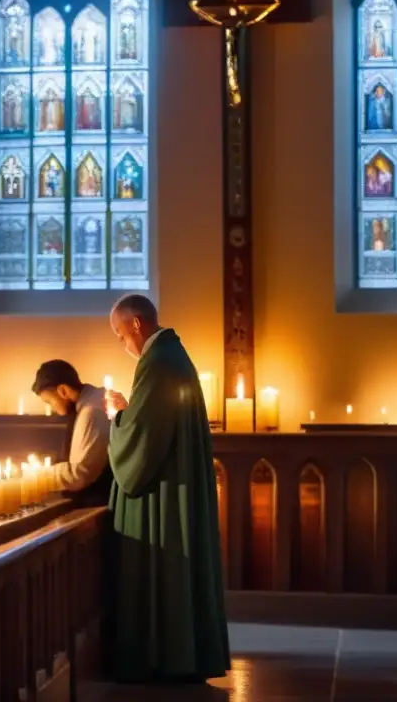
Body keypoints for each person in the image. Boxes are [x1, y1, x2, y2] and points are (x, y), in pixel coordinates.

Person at [103, 293, 230, 684]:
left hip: (164, 492)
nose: (123, 345)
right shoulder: (171, 355)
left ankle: (163, 658)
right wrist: (130, 410)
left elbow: (143, 438)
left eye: (122, 336)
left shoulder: (158, 361)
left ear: (136, 324)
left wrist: (117, 415)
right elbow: (155, 420)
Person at [31, 360, 112, 505]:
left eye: (49, 402)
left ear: (63, 390)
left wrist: (40, 475)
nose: (52, 408)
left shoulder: (92, 412)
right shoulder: (90, 404)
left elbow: (81, 474)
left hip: (99, 504)